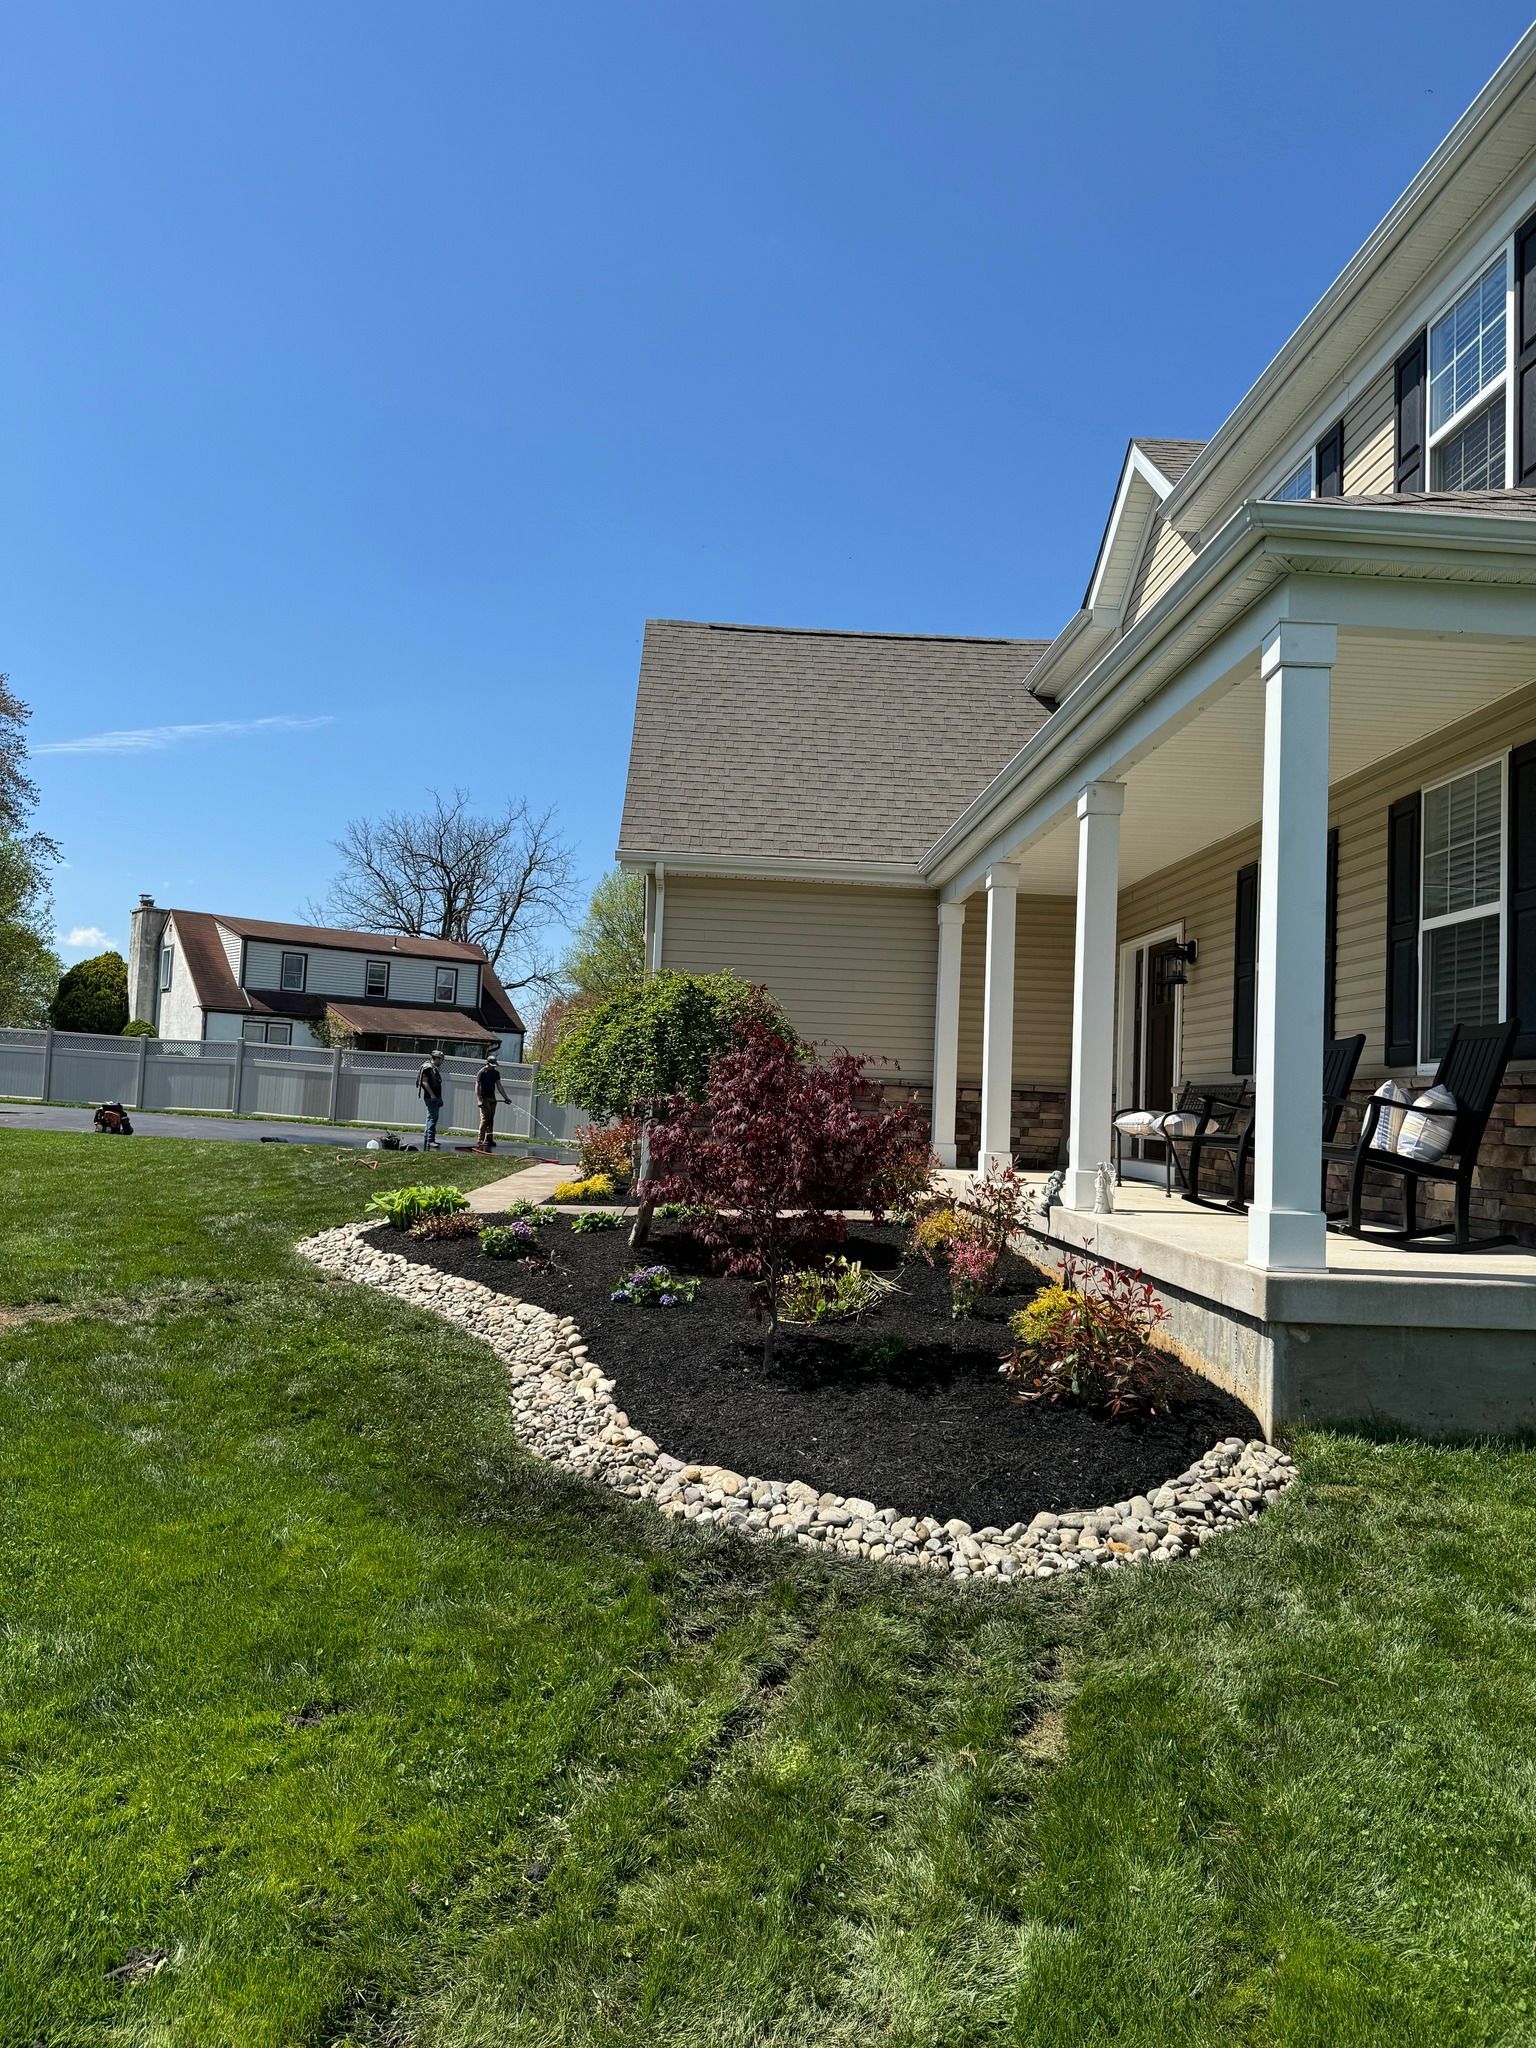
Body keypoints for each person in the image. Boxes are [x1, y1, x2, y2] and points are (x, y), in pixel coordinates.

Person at [474, 1049, 511, 1151]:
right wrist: (479, 1100)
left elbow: (499, 1086)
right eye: (491, 1065)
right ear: (487, 1063)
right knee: (485, 1118)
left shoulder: (496, 1073)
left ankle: (489, 1139)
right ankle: (480, 1139)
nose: (493, 1066)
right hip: (484, 1098)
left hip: (492, 1099)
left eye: (494, 1065)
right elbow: (477, 1086)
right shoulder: (481, 1072)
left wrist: (506, 1098)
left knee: (491, 1119)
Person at [417, 1048, 446, 1149]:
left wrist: (439, 1097)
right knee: (433, 1118)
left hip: (435, 1097)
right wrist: (433, 1095)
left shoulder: (433, 1068)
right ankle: (430, 1140)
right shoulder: (428, 1067)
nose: (442, 1062)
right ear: (436, 1058)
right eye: (441, 1059)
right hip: (431, 1097)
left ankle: (427, 1139)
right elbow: (424, 1082)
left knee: (430, 1117)